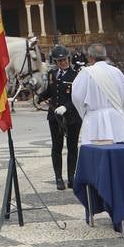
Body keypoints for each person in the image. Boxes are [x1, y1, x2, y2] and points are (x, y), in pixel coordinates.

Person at [37, 45, 81, 189]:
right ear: (55, 62)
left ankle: (71, 177)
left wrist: (66, 107)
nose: (63, 62)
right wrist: (38, 97)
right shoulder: (52, 74)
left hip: (72, 116)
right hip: (55, 116)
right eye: (60, 60)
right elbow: (50, 91)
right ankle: (58, 178)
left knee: (72, 147)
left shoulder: (76, 75)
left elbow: (78, 96)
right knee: (57, 147)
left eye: (65, 59)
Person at [70, 43, 124, 145]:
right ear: (105, 56)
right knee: (120, 153)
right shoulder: (116, 72)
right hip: (116, 119)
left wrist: (84, 114)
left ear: (90, 58)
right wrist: (118, 110)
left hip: (94, 120)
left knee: (95, 156)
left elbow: (77, 97)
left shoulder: (85, 73)